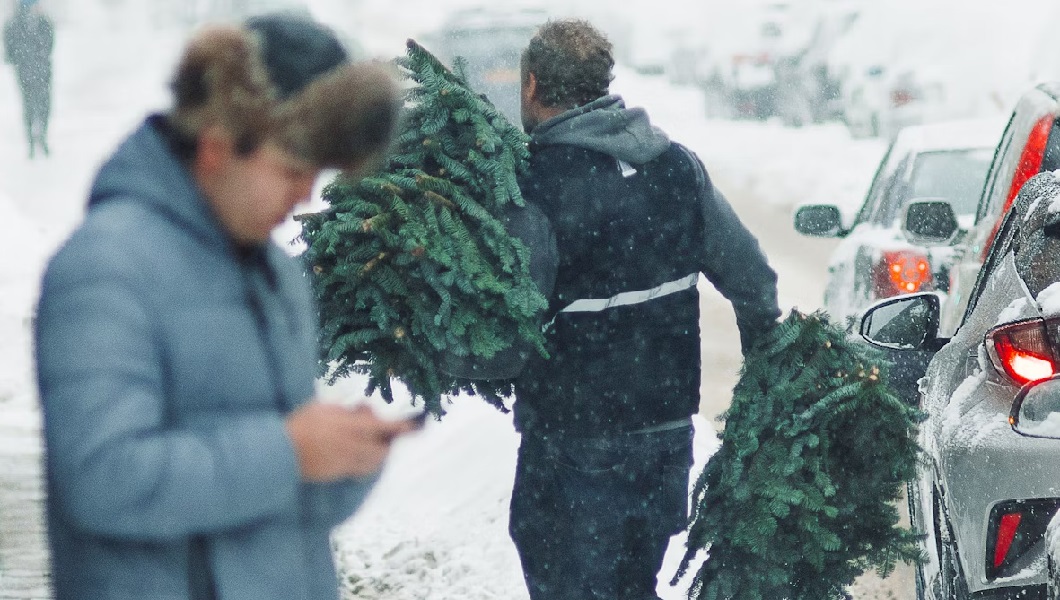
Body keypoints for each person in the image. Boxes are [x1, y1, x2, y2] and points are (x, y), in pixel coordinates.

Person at [34, 13, 415, 600]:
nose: (307, 195)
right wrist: (290, 451)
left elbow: (281, 503)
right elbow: (103, 480)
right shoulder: (106, 266)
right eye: (292, 169)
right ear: (216, 146)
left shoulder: (276, 275)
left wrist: (343, 457)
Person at [509, 19, 782, 600]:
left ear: (533, 85)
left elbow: (512, 328)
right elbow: (754, 281)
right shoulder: (676, 168)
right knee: (633, 585)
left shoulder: (536, 185)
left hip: (571, 442)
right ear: (603, 84)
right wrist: (764, 382)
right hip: (662, 440)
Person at [3, 0, 54, 158]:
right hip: (26, 72)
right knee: (29, 107)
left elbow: (50, 43)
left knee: (44, 106)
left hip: (41, 71)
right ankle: (32, 141)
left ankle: (42, 137)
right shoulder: (15, 24)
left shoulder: (43, 22)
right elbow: (9, 48)